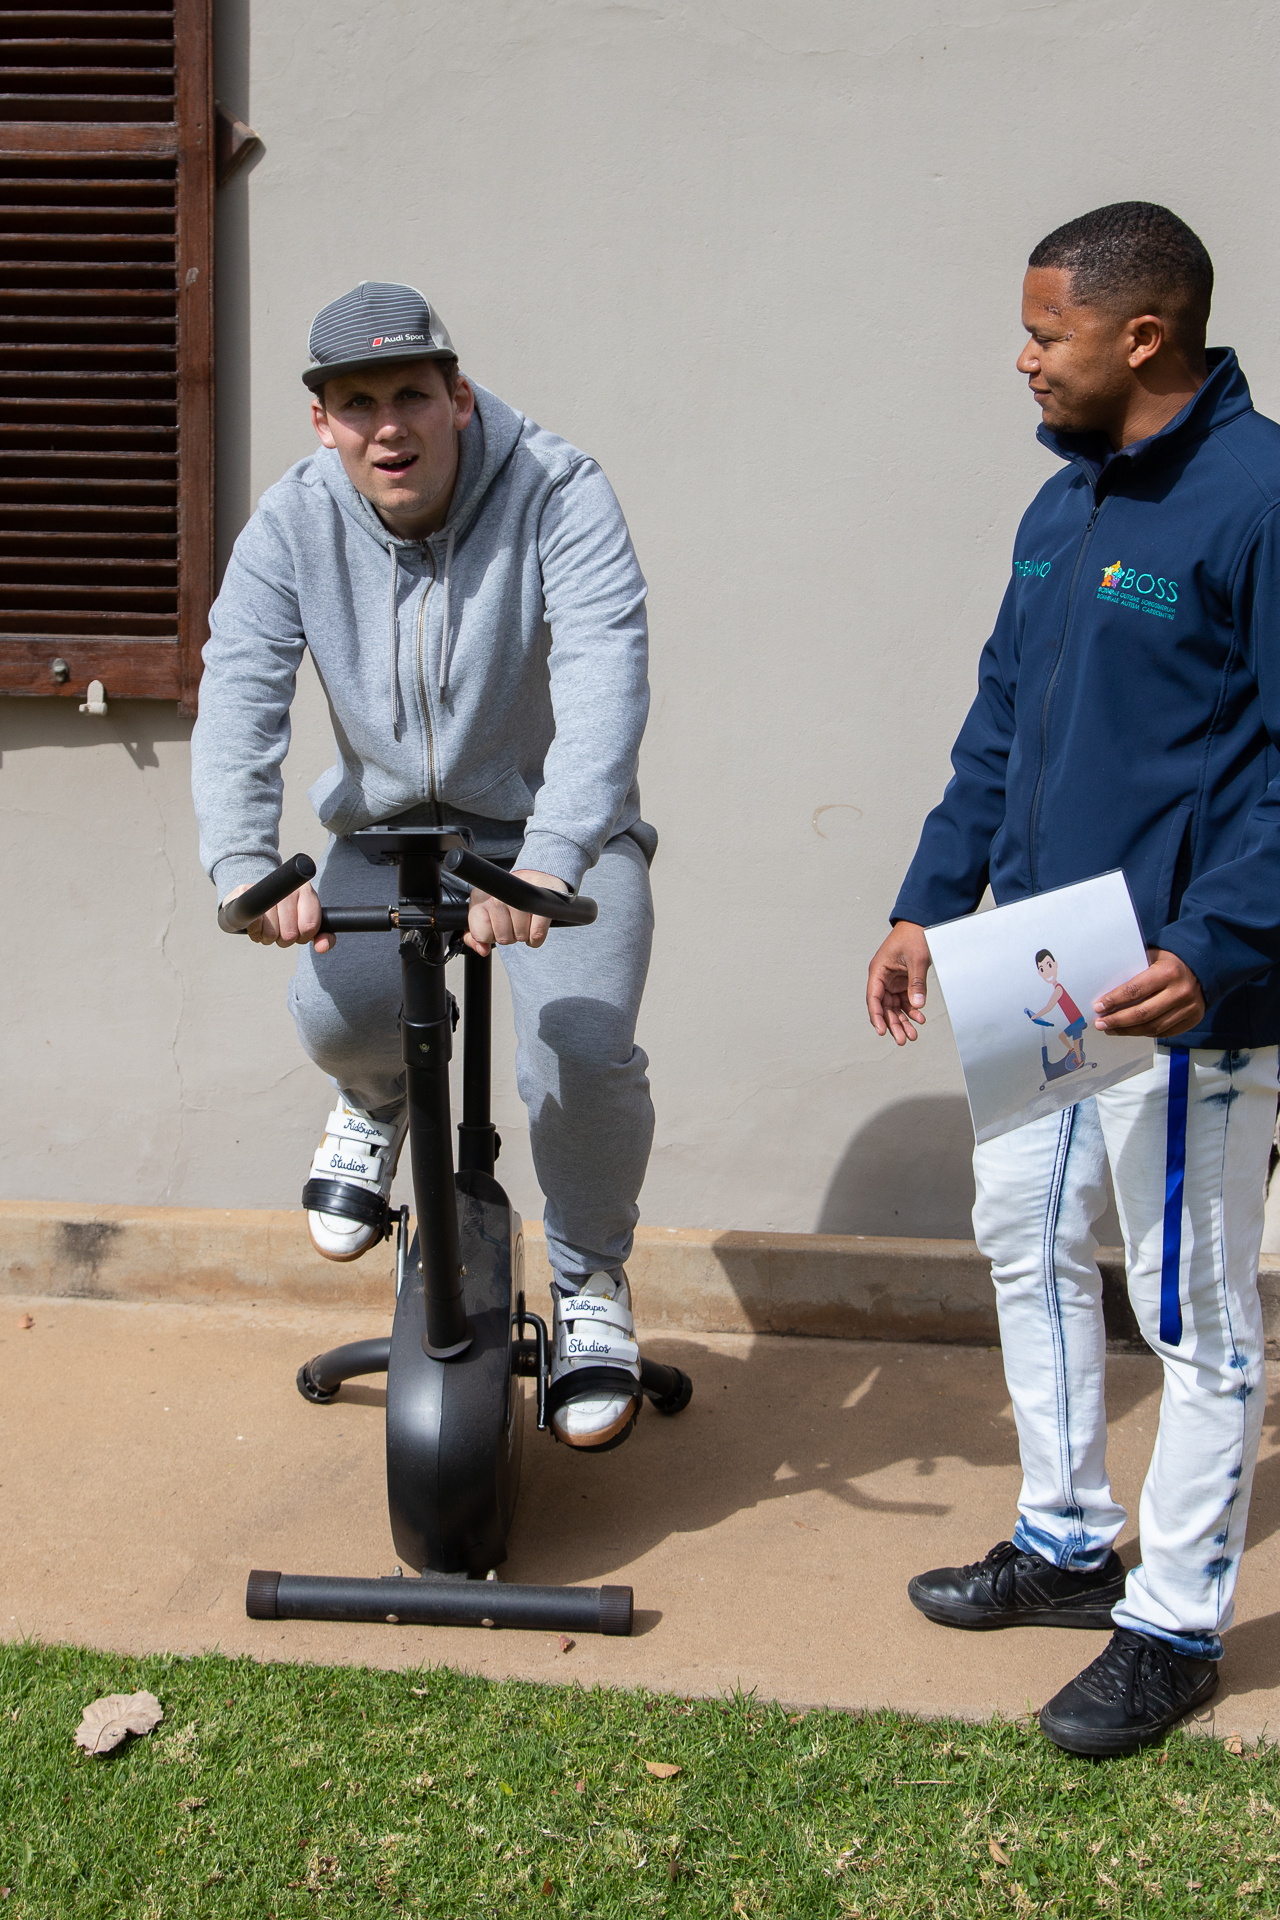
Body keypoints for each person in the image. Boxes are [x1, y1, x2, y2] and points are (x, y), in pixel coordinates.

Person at [866, 203, 1280, 1756]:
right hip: (1040, 969)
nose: (1025, 356)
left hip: (1189, 991)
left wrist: (1219, 944)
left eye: (1048, 331)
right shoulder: (1062, 507)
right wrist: (927, 904)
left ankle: (1171, 1625)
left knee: (1191, 1304)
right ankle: (1063, 1541)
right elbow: (1000, 723)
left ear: (1143, 336)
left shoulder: (1260, 501)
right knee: (1024, 1236)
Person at [192, 281, 656, 1451]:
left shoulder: (557, 489)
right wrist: (243, 861)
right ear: (323, 422)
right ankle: (376, 1099)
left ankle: (589, 1283)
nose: (387, 427)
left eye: (410, 394)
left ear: (458, 396)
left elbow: (604, 670)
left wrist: (552, 859)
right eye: (357, 405)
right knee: (339, 1010)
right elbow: (240, 687)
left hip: (553, 832)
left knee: (583, 1050)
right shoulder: (292, 521)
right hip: (391, 833)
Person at [1027, 950, 1086, 1070]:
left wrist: (1035, 1016)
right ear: (1039, 973)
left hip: (1077, 1021)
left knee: (1075, 1042)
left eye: (1049, 965)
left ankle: (1079, 1061)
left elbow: (1049, 1006)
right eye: (1042, 969)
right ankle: (1071, 1050)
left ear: (1055, 964)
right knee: (1062, 1036)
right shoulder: (1056, 988)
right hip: (1075, 1021)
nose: (1047, 971)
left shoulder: (1058, 989)